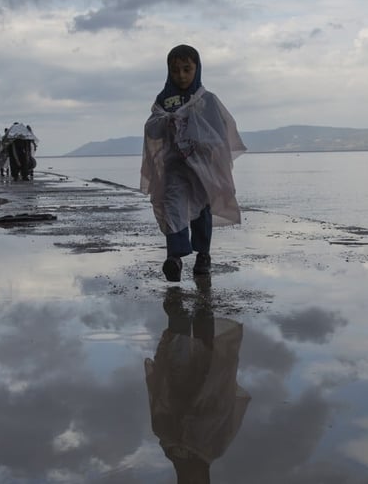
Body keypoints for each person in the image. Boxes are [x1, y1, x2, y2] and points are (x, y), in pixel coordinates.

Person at [141, 44, 246, 282]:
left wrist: (194, 127)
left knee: (201, 210)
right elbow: (152, 129)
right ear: (168, 71)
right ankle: (174, 258)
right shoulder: (164, 100)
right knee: (172, 205)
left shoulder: (206, 100)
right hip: (174, 167)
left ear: (197, 69)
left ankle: (203, 255)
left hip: (202, 168)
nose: (181, 75)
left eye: (187, 69)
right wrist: (167, 121)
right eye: (175, 70)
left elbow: (219, 134)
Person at [145, 282, 250, 483]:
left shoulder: (183, 446)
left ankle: (184, 318)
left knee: (188, 356)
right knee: (201, 355)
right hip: (197, 391)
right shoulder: (210, 447)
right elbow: (224, 408)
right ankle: (192, 314)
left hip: (185, 392)